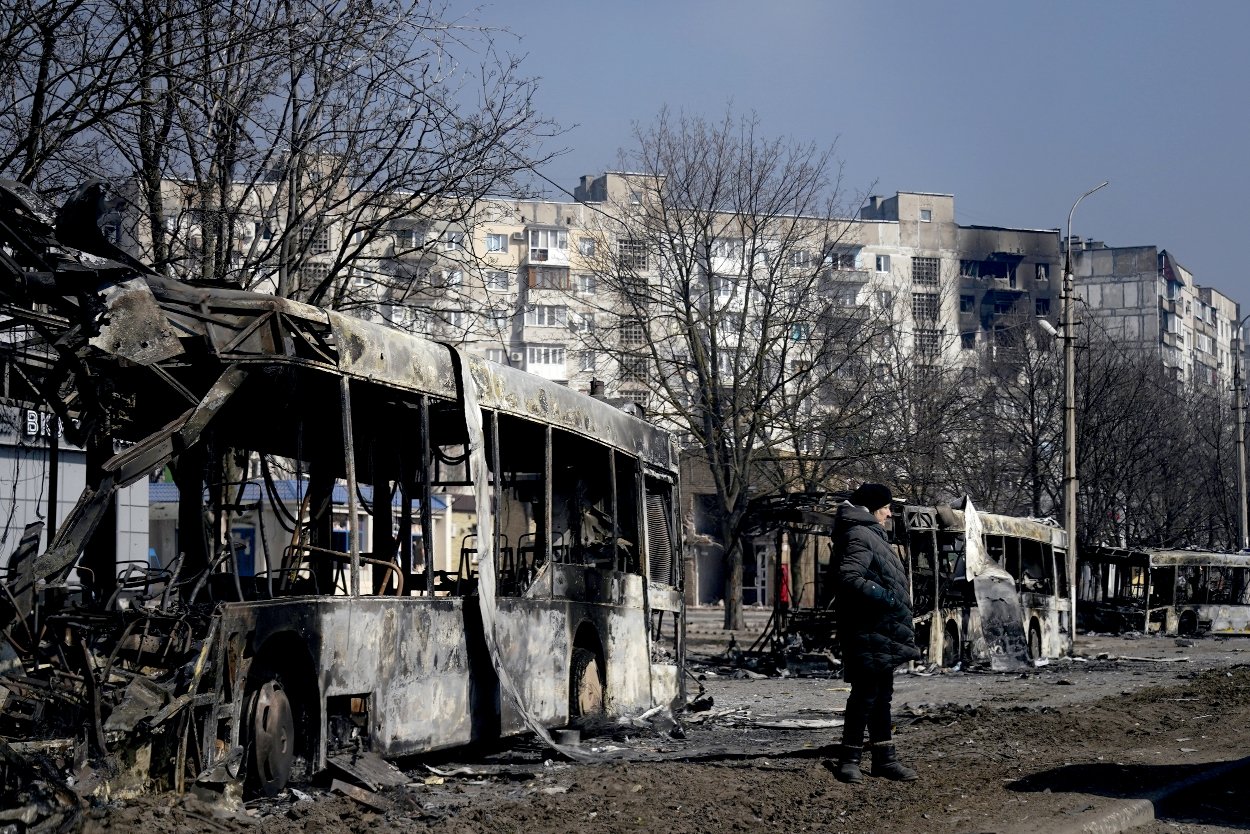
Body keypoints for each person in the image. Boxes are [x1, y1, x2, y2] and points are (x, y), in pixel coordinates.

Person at [831, 482, 922, 783]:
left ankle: (885, 759)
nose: (888, 513)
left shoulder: (870, 534)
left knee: (881, 696)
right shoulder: (860, 534)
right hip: (866, 629)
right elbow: (849, 577)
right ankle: (849, 760)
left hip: (878, 630)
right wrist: (886, 598)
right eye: (885, 507)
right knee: (865, 696)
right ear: (871, 508)